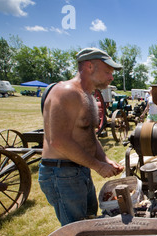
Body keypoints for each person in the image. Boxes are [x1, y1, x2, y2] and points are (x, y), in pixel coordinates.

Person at [39, 48, 125, 226]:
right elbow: (58, 140)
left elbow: (89, 135)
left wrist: (105, 159)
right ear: (89, 66)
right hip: (61, 174)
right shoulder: (66, 92)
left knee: (89, 224)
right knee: (75, 230)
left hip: (78, 170)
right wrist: (97, 166)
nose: (111, 77)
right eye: (108, 71)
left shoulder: (88, 96)